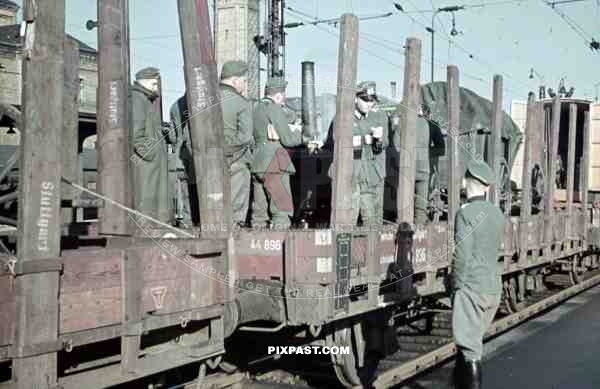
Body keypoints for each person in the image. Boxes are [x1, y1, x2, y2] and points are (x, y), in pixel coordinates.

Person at [451, 158, 505, 389]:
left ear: (466, 182)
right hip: (492, 288)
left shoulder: (465, 214)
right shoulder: (497, 214)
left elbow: (461, 255)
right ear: (486, 187)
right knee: (470, 342)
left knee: (470, 349)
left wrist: (457, 285)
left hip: (471, 288)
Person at [325, 81, 388, 227]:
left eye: (371, 101)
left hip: (366, 177)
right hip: (348, 177)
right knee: (348, 219)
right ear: (355, 99)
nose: (369, 104)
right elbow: (338, 141)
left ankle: (372, 248)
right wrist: (365, 139)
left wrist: (378, 140)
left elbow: (379, 146)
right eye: (365, 100)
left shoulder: (370, 118)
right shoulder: (343, 118)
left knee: (371, 220)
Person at [251, 76, 303, 229]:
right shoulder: (274, 109)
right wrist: (303, 136)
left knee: (259, 215)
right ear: (279, 95)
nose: (284, 100)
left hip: (257, 162)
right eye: (284, 95)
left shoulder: (255, 108)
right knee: (281, 212)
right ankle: (280, 249)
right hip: (274, 163)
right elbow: (287, 140)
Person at [130, 67, 175, 223]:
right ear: (144, 82)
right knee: (147, 199)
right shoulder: (137, 99)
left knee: (153, 200)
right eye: (154, 84)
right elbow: (137, 135)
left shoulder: (144, 100)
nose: (157, 88)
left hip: (150, 164)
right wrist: (153, 154)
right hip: (148, 165)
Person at [219, 60, 254, 227]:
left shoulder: (205, 100)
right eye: (244, 80)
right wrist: (228, 151)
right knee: (234, 212)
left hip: (208, 162)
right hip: (235, 162)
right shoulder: (241, 103)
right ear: (235, 80)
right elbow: (245, 137)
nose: (245, 84)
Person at [391, 103, 431, 224]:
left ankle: (403, 225)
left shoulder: (402, 124)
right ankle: (420, 227)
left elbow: (396, 146)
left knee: (405, 199)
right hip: (424, 167)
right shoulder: (425, 123)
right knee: (421, 201)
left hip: (407, 168)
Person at [169, 94, 199, 227]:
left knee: (183, 189)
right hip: (194, 152)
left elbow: (172, 135)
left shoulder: (175, 105)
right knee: (196, 188)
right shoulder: (199, 102)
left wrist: (178, 145)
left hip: (180, 154)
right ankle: (195, 219)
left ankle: (186, 219)